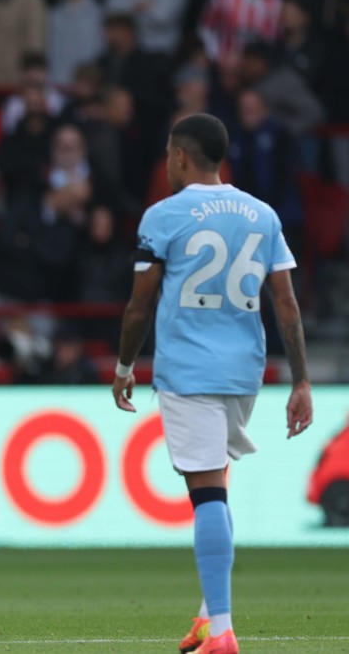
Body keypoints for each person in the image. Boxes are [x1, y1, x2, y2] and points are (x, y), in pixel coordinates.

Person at [111, 113, 312, 654]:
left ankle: (222, 630)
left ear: (178, 155)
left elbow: (139, 305)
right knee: (215, 486)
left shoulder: (163, 215)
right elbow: (287, 304)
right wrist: (302, 382)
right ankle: (207, 618)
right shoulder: (261, 214)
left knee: (205, 497)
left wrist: (125, 367)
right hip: (246, 370)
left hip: (189, 370)